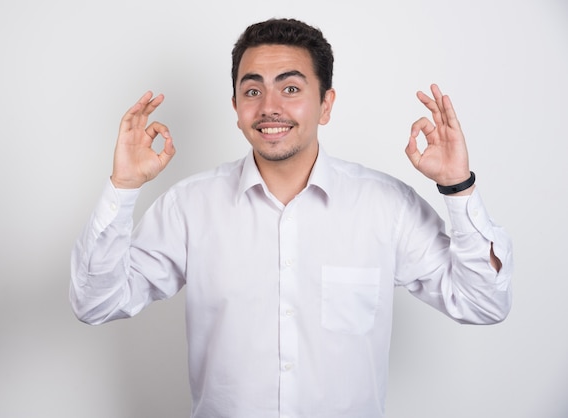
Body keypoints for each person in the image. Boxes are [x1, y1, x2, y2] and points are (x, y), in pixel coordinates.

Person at [70, 17, 512, 418]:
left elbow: (483, 303)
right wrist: (123, 187)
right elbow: (96, 303)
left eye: (292, 88)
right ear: (236, 106)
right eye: (253, 90)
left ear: (325, 104)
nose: (269, 107)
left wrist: (458, 187)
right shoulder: (190, 206)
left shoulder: (386, 207)